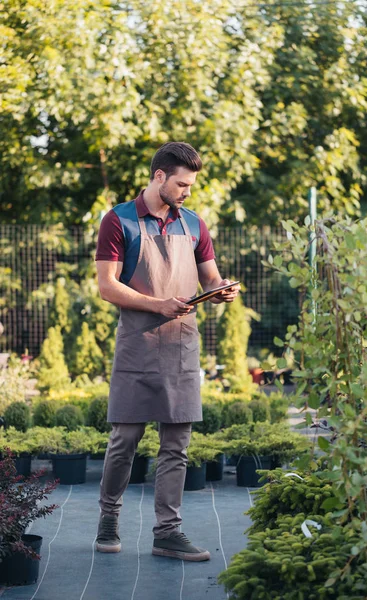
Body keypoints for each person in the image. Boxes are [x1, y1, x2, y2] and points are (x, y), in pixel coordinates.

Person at [95, 142, 240, 562]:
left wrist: (219, 292)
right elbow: (107, 287)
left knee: (177, 445)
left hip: (181, 346)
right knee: (125, 440)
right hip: (136, 344)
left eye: (191, 185)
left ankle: (167, 532)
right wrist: (157, 304)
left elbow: (208, 277)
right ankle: (108, 519)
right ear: (159, 176)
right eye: (181, 184)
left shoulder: (194, 224)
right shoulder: (118, 220)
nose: (187, 192)